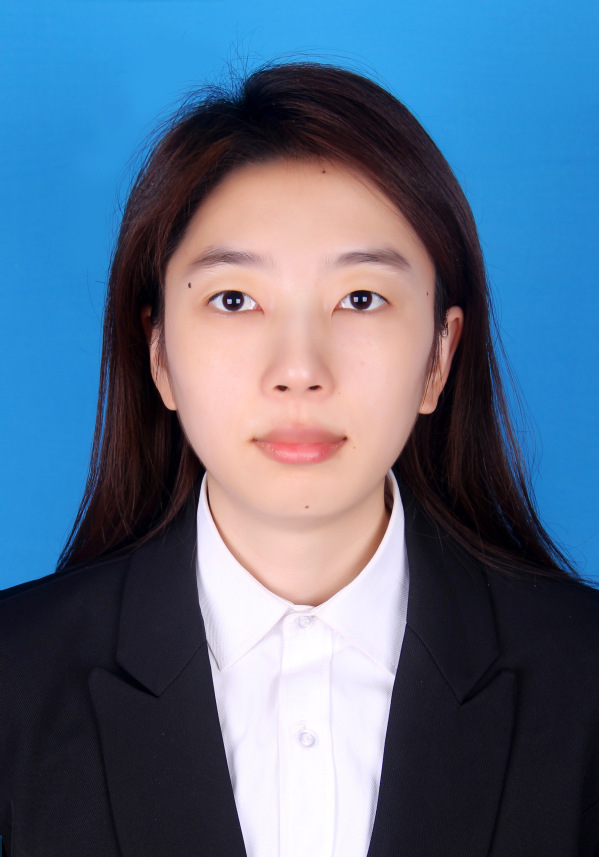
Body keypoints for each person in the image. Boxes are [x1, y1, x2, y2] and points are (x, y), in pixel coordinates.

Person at [0, 61, 597, 857]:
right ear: (159, 354)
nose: (299, 369)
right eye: (234, 299)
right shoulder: (15, 676)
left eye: (360, 298)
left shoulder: (583, 680)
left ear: (438, 357)